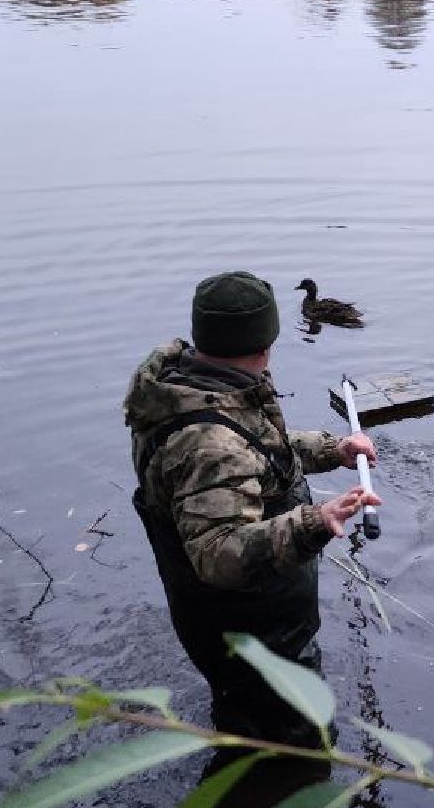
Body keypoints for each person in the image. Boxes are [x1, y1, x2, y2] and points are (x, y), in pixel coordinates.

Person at [122, 270, 378, 745]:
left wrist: (333, 449)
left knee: (245, 723)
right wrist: (316, 521)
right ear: (266, 341)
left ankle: (244, 791)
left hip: (234, 629)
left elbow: (257, 452)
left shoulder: (189, 386)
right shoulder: (210, 440)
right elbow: (221, 553)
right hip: (252, 633)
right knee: (295, 745)